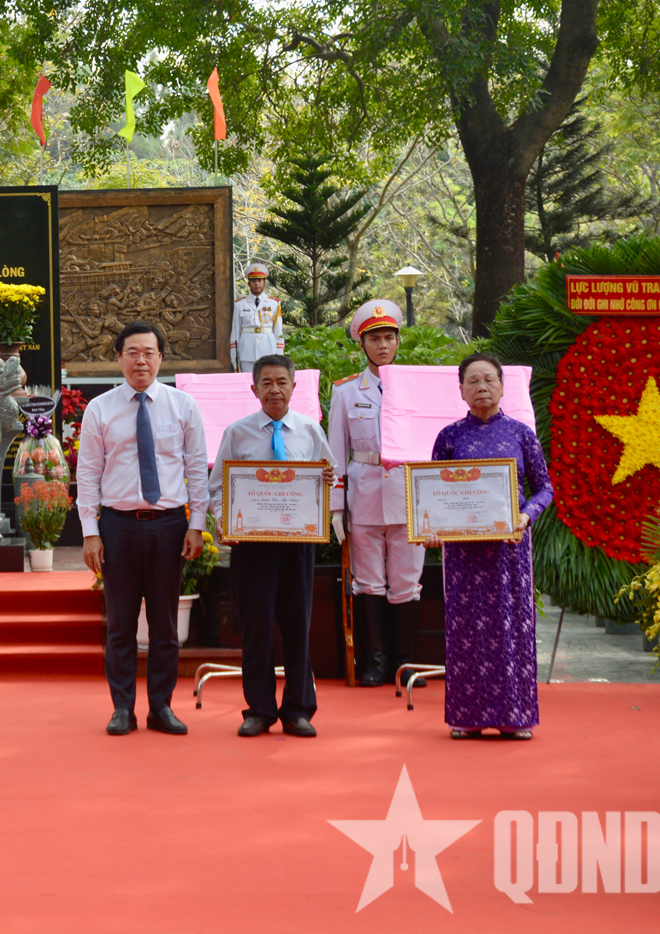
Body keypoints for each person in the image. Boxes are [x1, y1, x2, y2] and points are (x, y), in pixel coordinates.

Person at [77, 320, 207, 737]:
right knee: (120, 624)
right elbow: (88, 473)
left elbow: (196, 471)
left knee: (166, 625)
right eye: (132, 352)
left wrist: (197, 525)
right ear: (118, 358)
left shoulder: (183, 406)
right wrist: (89, 530)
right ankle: (122, 709)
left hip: (169, 525)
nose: (141, 360)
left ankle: (162, 707)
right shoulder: (100, 409)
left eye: (149, 352)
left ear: (161, 359)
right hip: (117, 527)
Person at [423, 352, 552, 740]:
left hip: (509, 548)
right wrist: (431, 527)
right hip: (463, 551)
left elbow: (544, 487)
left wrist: (525, 515)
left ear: (502, 386)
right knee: (465, 628)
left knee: (511, 626)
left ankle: (515, 716)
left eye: (489, 380)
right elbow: (431, 492)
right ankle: (467, 716)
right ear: (461, 390)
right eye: (473, 381)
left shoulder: (520, 434)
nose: (481, 387)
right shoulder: (449, 437)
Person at [210, 355, 336, 737]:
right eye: (267, 382)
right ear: (254, 389)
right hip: (252, 545)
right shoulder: (237, 432)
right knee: (256, 627)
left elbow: (327, 478)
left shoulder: (310, 431)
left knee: (298, 625)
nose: (275, 389)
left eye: (282, 382)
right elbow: (218, 486)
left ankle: (298, 710)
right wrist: (222, 520)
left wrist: (327, 480)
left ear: (294, 388)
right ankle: (259, 710)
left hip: (297, 543)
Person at [328, 299, 426, 688]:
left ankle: (405, 663)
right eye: (374, 339)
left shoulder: (417, 389)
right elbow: (337, 451)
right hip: (366, 491)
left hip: (407, 492)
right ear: (362, 344)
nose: (382, 345)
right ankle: (375, 662)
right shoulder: (347, 392)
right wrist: (337, 507)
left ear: (398, 342)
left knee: (406, 581)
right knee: (367, 582)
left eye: (389, 337)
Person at [229, 262, 284, 374]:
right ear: (249, 283)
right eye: (253, 281)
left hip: (268, 350)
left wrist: (279, 355)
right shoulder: (240, 305)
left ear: (264, 282)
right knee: (248, 383)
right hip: (247, 352)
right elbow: (235, 333)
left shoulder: (274, 304)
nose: (257, 284)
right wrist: (234, 356)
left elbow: (278, 333)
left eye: (260, 280)